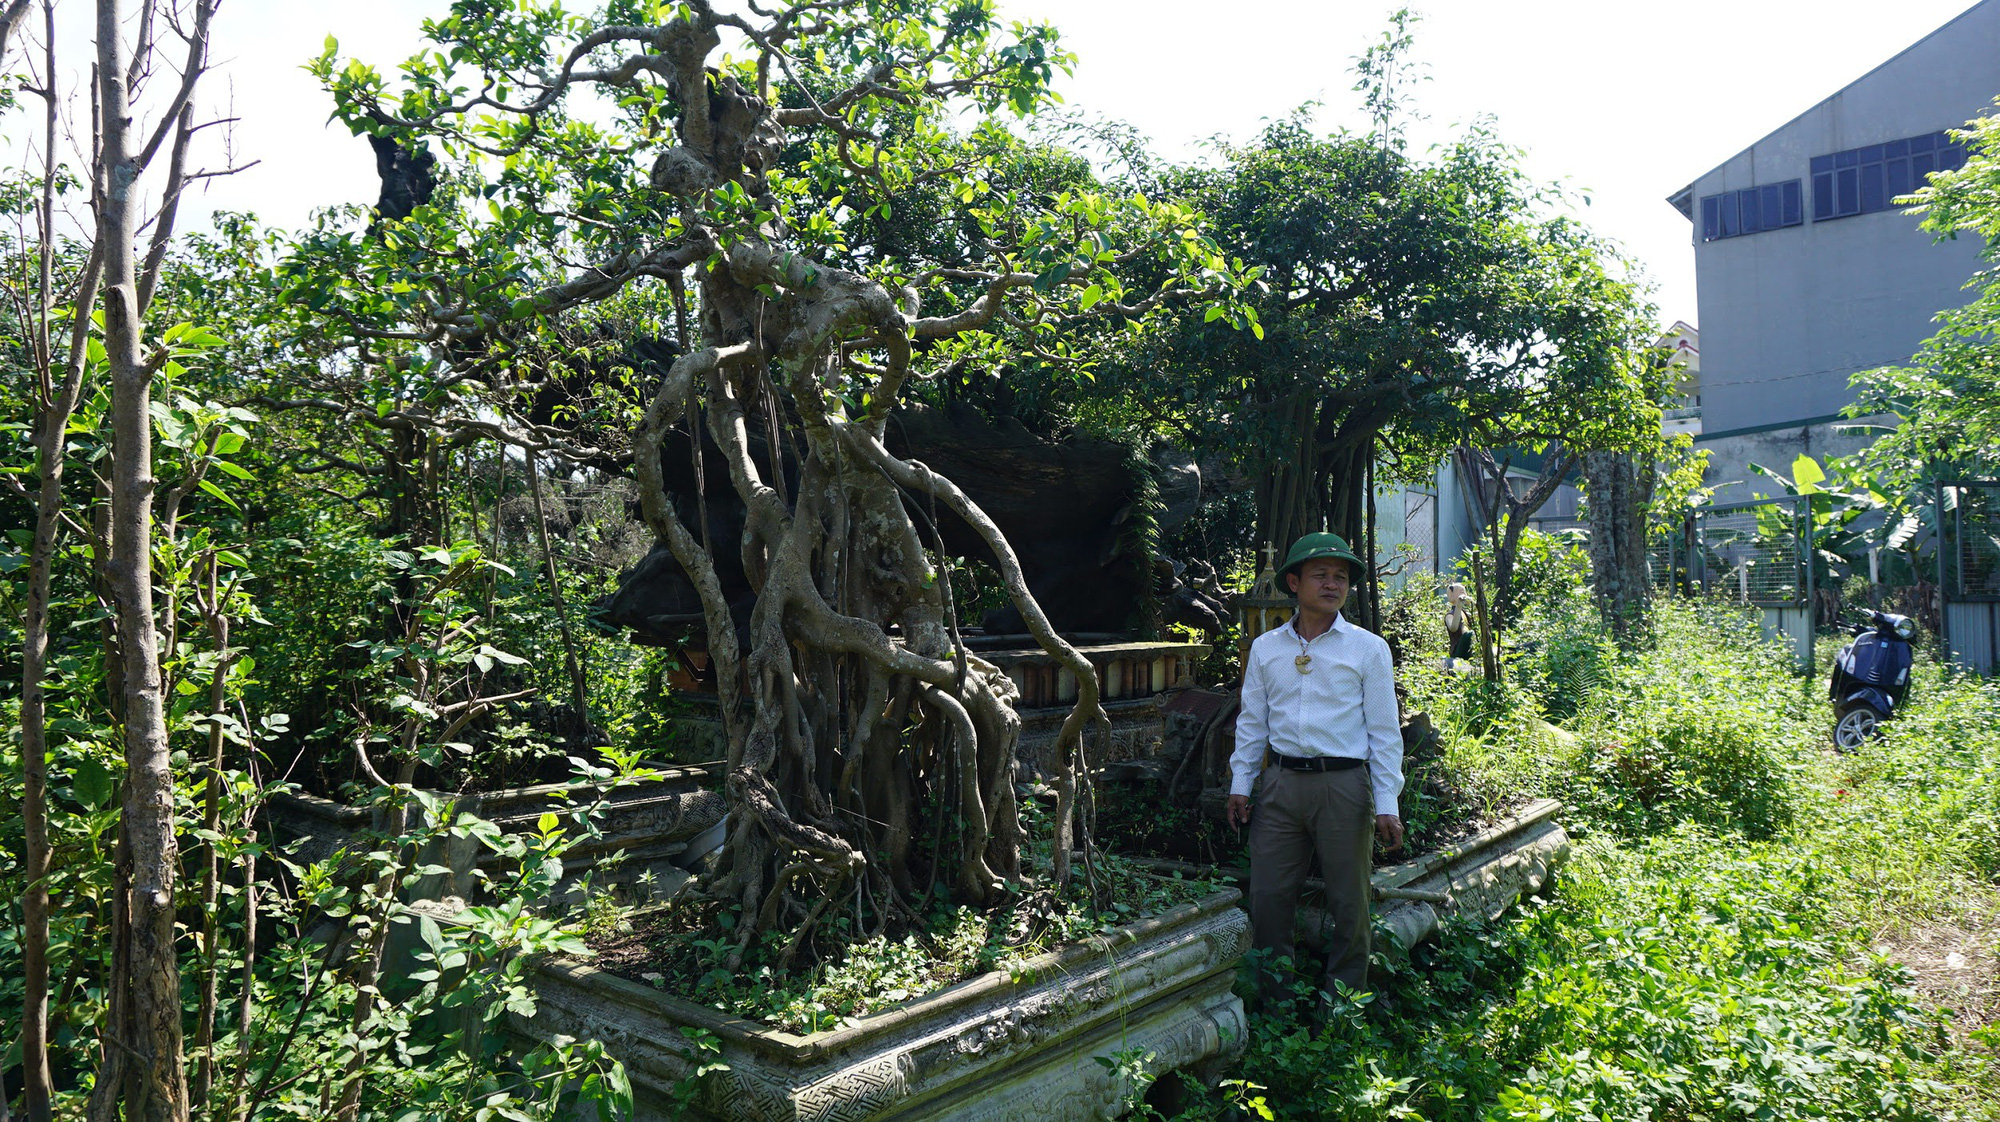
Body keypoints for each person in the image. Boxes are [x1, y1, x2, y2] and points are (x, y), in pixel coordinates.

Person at [1226, 532, 1403, 1001]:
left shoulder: (1368, 649)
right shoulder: (1266, 648)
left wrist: (1387, 802)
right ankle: (1274, 1002)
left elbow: (1385, 732)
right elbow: (1253, 723)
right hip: (1280, 785)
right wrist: (1241, 784)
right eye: (1320, 574)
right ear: (1293, 581)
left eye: (1340, 577)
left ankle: (1343, 1009)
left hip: (1343, 786)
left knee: (1350, 903)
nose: (1332, 584)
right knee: (1268, 899)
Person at [1444, 582, 1473, 670]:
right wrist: (1458, 608)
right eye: (1461, 592)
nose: (1464, 594)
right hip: (1458, 649)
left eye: (1464, 592)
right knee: (1469, 635)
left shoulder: (1466, 613)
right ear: (1451, 595)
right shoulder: (1449, 615)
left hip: (1469, 646)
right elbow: (1453, 628)